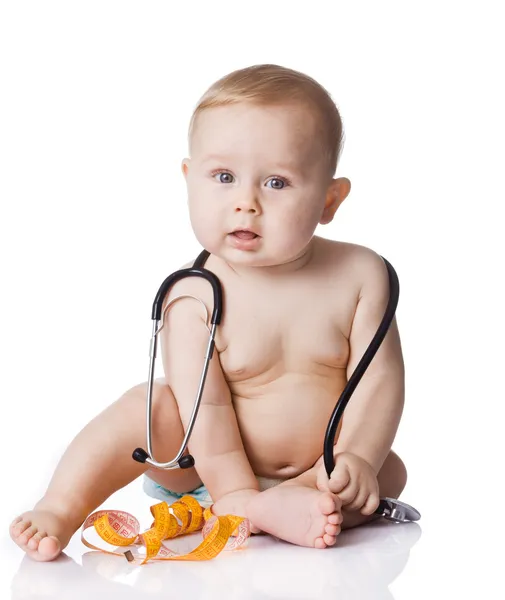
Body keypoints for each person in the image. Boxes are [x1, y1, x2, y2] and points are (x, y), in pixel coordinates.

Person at [10, 64, 408, 561]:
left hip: (316, 467)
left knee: (386, 471)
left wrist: (357, 458)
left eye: (278, 183)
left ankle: (296, 502)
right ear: (189, 178)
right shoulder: (194, 292)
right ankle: (62, 505)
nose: (246, 203)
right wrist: (236, 495)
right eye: (223, 177)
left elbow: (379, 382)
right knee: (149, 405)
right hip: (200, 465)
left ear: (330, 199)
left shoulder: (361, 276)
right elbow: (207, 408)